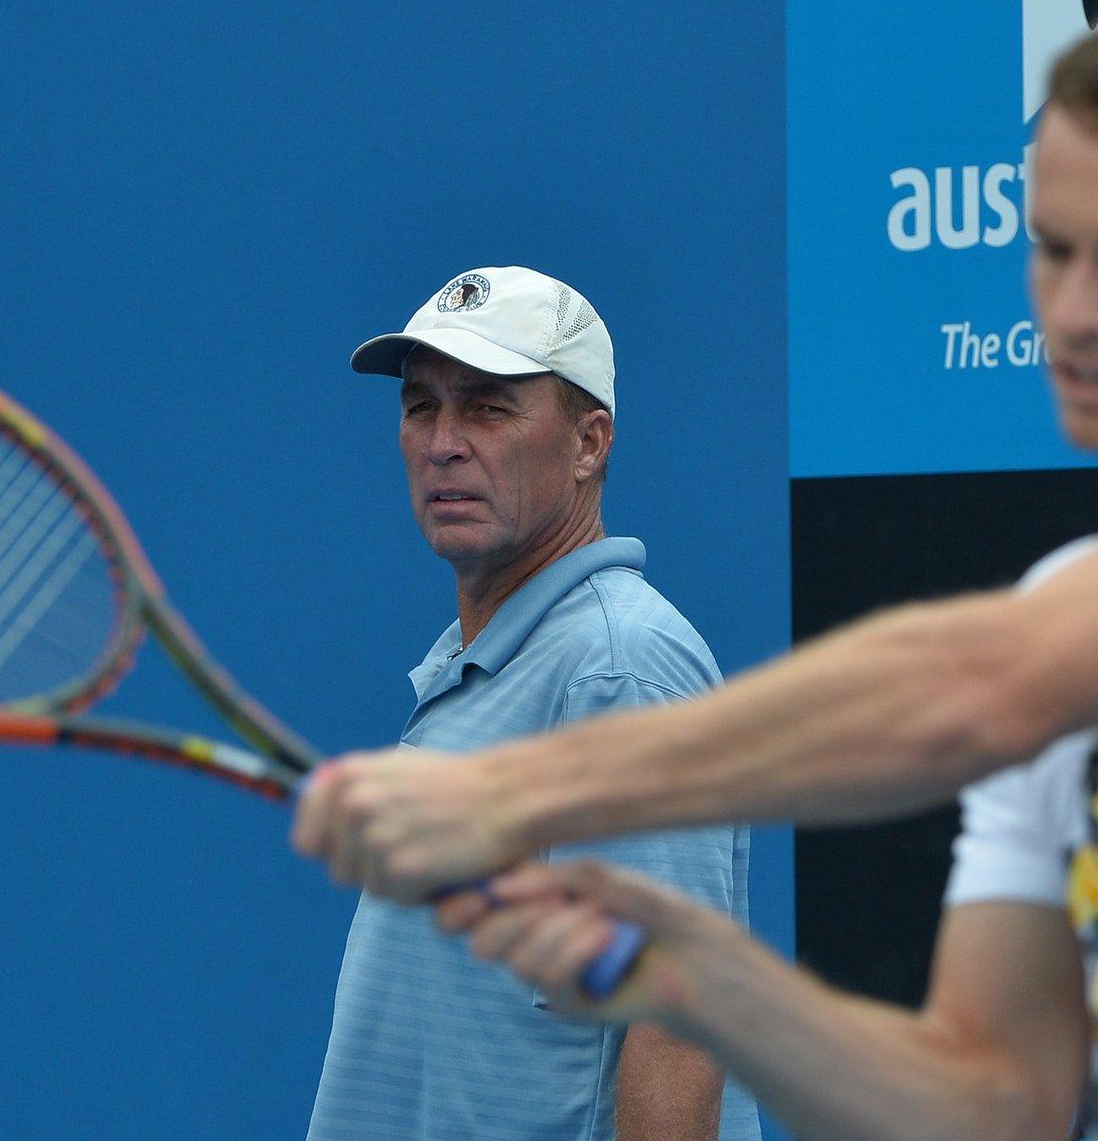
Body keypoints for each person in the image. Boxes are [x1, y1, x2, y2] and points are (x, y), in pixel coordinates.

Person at [295, 6, 1098, 1141]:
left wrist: (512, 791)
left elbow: (975, 690)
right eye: (1054, 248)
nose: (1079, 309)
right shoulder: (1065, 620)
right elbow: (982, 1097)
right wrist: (694, 970)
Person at [305, 265, 761, 1141]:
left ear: (590, 443)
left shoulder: (617, 670)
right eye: (420, 408)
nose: (442, 442)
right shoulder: (478, 659)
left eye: (487, 408)